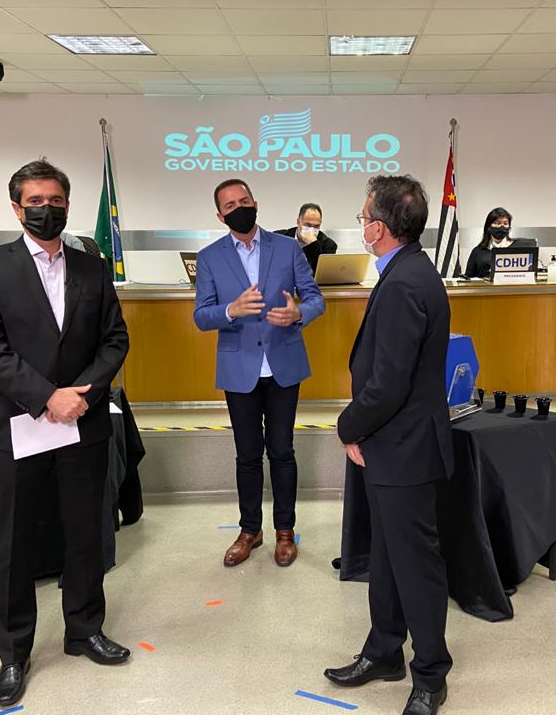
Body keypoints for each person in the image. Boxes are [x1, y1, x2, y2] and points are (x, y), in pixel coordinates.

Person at [0, 159, 131, 708]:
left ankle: (84, 629)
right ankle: (13, 652)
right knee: (14, 543)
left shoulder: (92, 267)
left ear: (67, 204)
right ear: (17, 209)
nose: (46, 209)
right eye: (35, 201)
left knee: (85, 533)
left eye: (56, 200)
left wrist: (81, 394)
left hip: (83, 423)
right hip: (19, 425)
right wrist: (45, 397)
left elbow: (115, 339)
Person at [324, 175, 453, 715]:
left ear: (378, 228)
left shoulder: (404, 282)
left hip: (405, 448)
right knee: (386, 555)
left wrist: (347, 426)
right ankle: (383, 651)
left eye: (363, 218)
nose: (361, 225)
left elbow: (389, 383)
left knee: (415, 565)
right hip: (393, 445)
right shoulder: (408, 269)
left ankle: (431, 675)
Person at [194, 179, 325, 568]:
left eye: (244, 200)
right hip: (239, 369)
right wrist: (230, 310)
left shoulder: (287, 248)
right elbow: (201, 316)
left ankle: (285, 530)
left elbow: (315, 298)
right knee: (248, 454)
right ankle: (250, 530)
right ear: (220, 216)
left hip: (284, 365)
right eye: (230, 205)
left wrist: (299, 313)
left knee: (282, 451)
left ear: (256, 203)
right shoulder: (210, 257)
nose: (239, 208)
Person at [275, 202, 338, 274]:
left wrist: (313, 245)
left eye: (316, 226)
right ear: (298, 221)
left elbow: (322, 274)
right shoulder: (279, 238)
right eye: (308, 225)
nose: (311, 230)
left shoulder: (328, 245)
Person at [463, 207, 513, 279]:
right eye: (498, 223)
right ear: (489, 227)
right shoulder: (477, 251)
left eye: (505, 223)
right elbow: (468, 279)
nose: (502, 226)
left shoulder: (517, 248)